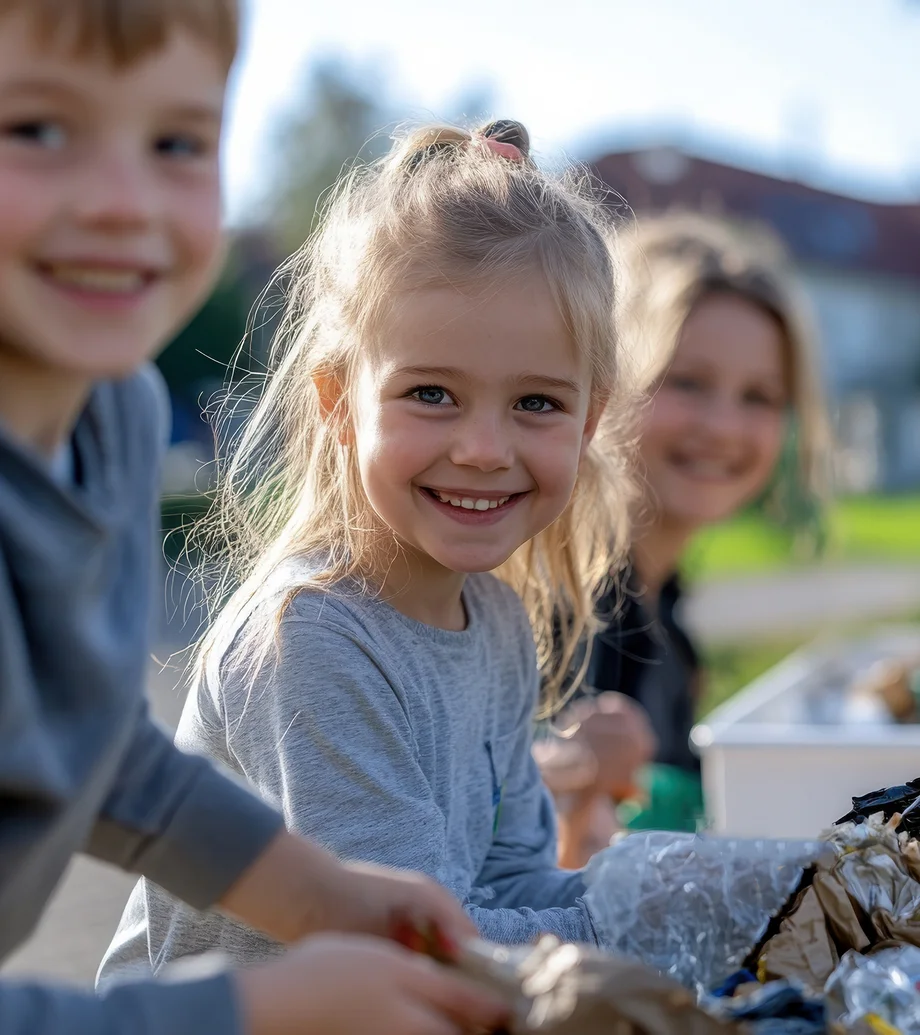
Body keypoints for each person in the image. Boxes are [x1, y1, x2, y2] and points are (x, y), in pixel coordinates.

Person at [0, 3, 510, 1033]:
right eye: (39, 129)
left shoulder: (114, 419)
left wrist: (322, 896)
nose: (122, 202)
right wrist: (251, 1011)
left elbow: (100, 756)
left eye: (177, 142)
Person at [96, 117, 639, 982]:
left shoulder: (496, 621)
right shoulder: (314, 638)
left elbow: (509, 880)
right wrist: (648, 924)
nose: (483, 449)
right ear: (339, 401)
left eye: (536, 403)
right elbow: (422, 946)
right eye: (432, 393)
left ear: (589, 420)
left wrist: (664, 891)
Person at [539, 211, 830, 865]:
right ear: (604, 382)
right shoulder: (553, 606)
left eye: (759, 396)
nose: (723, 426)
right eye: (688, 382)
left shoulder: (665, 609)